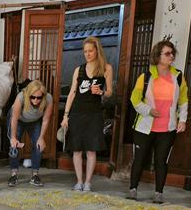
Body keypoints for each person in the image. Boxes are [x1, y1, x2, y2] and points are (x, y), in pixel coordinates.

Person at [127, 40, 188, 204]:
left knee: (161, 161)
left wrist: (182, 120)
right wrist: (148, 110)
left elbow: (183, 100)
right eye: (167, 53)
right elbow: (134, 99)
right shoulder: (145, 76)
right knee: (139, 159)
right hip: (144, 127)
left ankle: (159, 193)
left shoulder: (178, 77)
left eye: (172, 53)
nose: (171, 56)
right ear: (157, 56)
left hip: (167, 129)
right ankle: (133, 189)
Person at [62, 37, 114, 192]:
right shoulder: (79, 69)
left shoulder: (106, 68)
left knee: (91, 149)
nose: (87, 54)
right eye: (85, 51)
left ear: (97, 50)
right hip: (77, 112)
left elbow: (110, 92)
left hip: (94, 113)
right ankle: (79, 181)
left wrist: (101, 92)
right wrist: (66, 115)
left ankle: (88, 182)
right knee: (76, 149)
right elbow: (72, 93)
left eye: (90, 51)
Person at [8, 79, 54, 188]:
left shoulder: (48, 99)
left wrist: (41, 138)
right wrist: (13, 138)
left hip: (34, 121)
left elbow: (46, 120)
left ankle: (35, 175)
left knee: (38, 145)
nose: (36, 100)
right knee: (14, 146)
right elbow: (14, 119)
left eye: (39, 97)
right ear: (28, 95)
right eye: (32, 97)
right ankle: (14, 175)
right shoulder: (21, 97)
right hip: (18, 120)